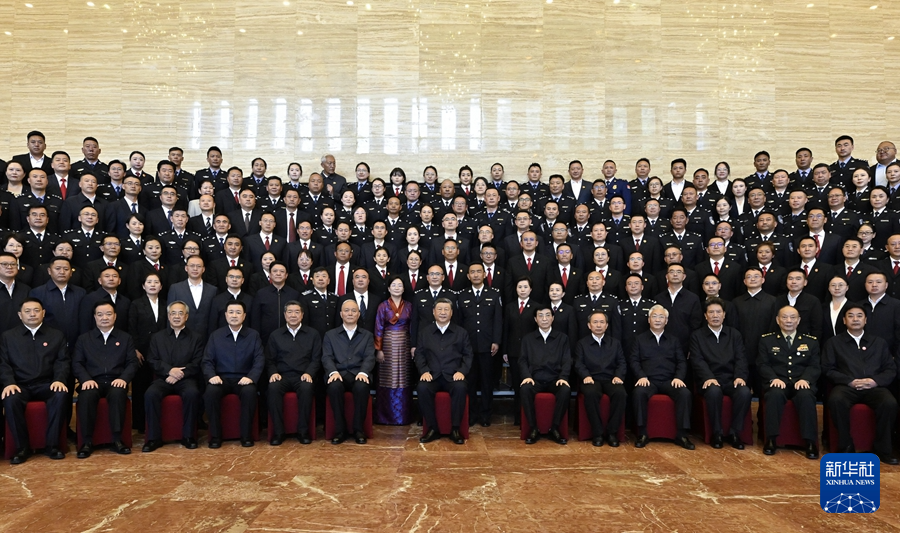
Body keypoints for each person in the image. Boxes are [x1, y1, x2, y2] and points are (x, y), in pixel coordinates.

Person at [823, 305, 898, 464]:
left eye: (859, 316)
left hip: (874, 387)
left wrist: (874, 381)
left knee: (889, 403)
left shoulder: (878, 342)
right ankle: (846, 446)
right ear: (844, 320)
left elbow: (890, 369)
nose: (855, 319)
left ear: (865, 320)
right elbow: (828, 369)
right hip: (846, 386)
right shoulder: (834, 342)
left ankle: (883, 449)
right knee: (836, 400)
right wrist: (849, 381)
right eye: (851, 316)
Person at [0, 299, 69, 463]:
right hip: (20, 385)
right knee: (10, 398)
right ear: (20, 315)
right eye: (28, 311)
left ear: (43, 313)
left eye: (36, 310)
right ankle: (22, 448)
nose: (32, 314)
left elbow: (62, 361)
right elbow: (3, 363)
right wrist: (9, 382)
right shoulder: (8, 337)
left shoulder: (56, 335)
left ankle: (52, 446)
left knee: (60, 395)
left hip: (46, 384)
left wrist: (59, 379)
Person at [73, 301, 139, 458]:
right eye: (100, 314)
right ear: (95, 317)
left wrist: (124, 379)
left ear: (115, 316)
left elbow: (132, 363)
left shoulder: (125, 338)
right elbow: (77, 363)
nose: (104, 318)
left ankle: (117, 440)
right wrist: (85, 379)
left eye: (108, 314)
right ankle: (87, 442)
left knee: (117, 394)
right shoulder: (84, 339)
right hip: (92, 381)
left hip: (116, 380)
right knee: (87, 396)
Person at [757, 306, 820, 459]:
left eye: (793, 317)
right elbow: (763, 364)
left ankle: (810, 442)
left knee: (806, 396)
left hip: (801, 382)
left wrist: (805, 379)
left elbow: (815, 366)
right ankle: (771, 439)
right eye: (784, 317)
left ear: (798, 320)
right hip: (778, 381)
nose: (789, 320)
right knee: (774, 395)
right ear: (778, 320)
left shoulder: (810, 341)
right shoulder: (767, 340)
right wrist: (773, 378)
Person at [689, 298, 751, 449]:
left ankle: (734, 433)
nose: (715, 315)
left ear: (724, 315)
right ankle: (717, 433)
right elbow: (697, 360)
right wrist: (708, 377)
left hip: (731, 379)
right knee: (713, 392)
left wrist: (740, 376)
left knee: (744, 392)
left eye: (718, 312)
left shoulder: (734, 334)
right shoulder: (697, 336)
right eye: (711, 312)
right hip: (709, 379)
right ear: (705, 316)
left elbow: (741, 358)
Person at [630, 304, 694, 450]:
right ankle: (642, 433)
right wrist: (641, 376)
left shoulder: (674, 340)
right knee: (638, 393)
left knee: (685, 393)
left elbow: (681, 361)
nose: (658, 320)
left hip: (669, 380)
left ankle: (682, 435)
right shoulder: (639, 339)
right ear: (649, 320)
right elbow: (634, 360)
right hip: (648, 380)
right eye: (654, 316)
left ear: (666, 321)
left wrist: (678, 378)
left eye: (661, 317)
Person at [143, 300, 204, 452]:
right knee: (150, 394)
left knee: (192, 393)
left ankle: (189, 436)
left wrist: (180, 374)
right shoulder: (157, 337)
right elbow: (152, 359)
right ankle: (153, 438)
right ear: (168, 316)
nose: (176, 316)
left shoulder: (196, 338)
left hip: (186, 379)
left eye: (180, 313)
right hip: (163, 378)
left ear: (186, 316)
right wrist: (170, 371)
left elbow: (198, 362)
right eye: (173, 313)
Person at [202, 301, 264, 448]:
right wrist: (211, 376)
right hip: (221, 379)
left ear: (244, 316)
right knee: (210, 392)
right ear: (225, 315)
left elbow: (259, 359)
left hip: (244, 378)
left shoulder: (253, 335)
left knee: (250, 392)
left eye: (238, 312)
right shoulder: (216, 335)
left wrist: (251, 377)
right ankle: (215, 436)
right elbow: (207, 361)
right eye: (231, 312)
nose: (234, 315)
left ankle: (246, 436)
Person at [416, 298, 473, 445]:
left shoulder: (461, 333)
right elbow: (419, 355)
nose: (443, 312)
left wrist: (462, 371)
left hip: (453, 375)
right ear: (433, 312)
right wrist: (424, 371)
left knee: (460, 387)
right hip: (432, 375)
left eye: (446, 309)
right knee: (422, 388)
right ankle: (432, 428)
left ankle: (455, 429)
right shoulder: (425, 333)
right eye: (439, 309)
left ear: (451, 312)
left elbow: (468, 355)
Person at [266, 300, 322, 445]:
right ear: (285, 315)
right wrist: (273, 373)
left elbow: (316, 359)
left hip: (303, 375)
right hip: (282, 376)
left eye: (297, 312)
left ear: (302, 315)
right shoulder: (276, 335)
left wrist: (309, 373)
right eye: (290, 312)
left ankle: (303, 432)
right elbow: (269, 360)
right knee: (273, 388)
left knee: (307, 388)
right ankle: (278, 432)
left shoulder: (313, 334)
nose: (293, 315)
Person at [322, 299, 375, 445]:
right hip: (338, 374)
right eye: (346, 310)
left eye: (353, 311)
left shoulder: (367, 335)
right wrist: (333, 372)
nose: (350, 313)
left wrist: (363, 372)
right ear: (341, 314)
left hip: (358, 374)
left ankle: (358, 430)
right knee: (334, 387)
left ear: (358, 314)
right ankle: (340, 430)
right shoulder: (330, 335)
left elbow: (370, 357)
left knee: (362, 387)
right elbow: (326, 357)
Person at [456, 263, 502, 427]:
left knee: (486, 382)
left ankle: (486, 415)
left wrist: (496, 341)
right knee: (470, 382)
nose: (476, 275)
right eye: (472, 272)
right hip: (468, 347)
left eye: (479, 272)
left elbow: (498, 320)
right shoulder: (462, 295)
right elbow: (459, 322)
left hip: (487, 346)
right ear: (468, 276)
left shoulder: (494, 294)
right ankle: (472, 414)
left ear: (484, 274)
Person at [519, 306, 571, 445]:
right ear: (535, 319)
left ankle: (554, 428)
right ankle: (533, 428)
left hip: (555, 379)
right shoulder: (528, 339)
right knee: (525, 389)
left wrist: (563, 377)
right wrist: (527, 376)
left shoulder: (562, 338)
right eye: (540, 316)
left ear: (553, 318)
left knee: (565, 390)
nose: (544, 319)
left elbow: (567, 360)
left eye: (548, 315)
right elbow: (522, 360)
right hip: (535, 379)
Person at [575, 310, 626, 447]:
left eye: (602, 322)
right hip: (591, 379)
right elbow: (578, 363)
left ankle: (612, 432)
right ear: (589, 325)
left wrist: (618, 376)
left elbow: (622, 362)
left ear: (607, 325)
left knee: (620, 393)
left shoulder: (615, 343)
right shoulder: (582, 344)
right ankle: (597, 433)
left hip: (610, 379)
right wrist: (586, 376)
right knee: (590, 393)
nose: (598, 325)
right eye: (595, 322)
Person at [373, 276, 413, 425]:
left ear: (403, 289)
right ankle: (385, 416)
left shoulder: (409, 306)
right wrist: (379, 349)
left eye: (399, 285)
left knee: (403, 378)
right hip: (388, 345)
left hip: (404, 344)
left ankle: (403, 416)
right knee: (387, 378)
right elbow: (378, 327)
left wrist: (412, 346)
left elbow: (412, 327)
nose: (397, 287)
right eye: (394, 285)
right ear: (389, 288)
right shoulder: (383, 306)